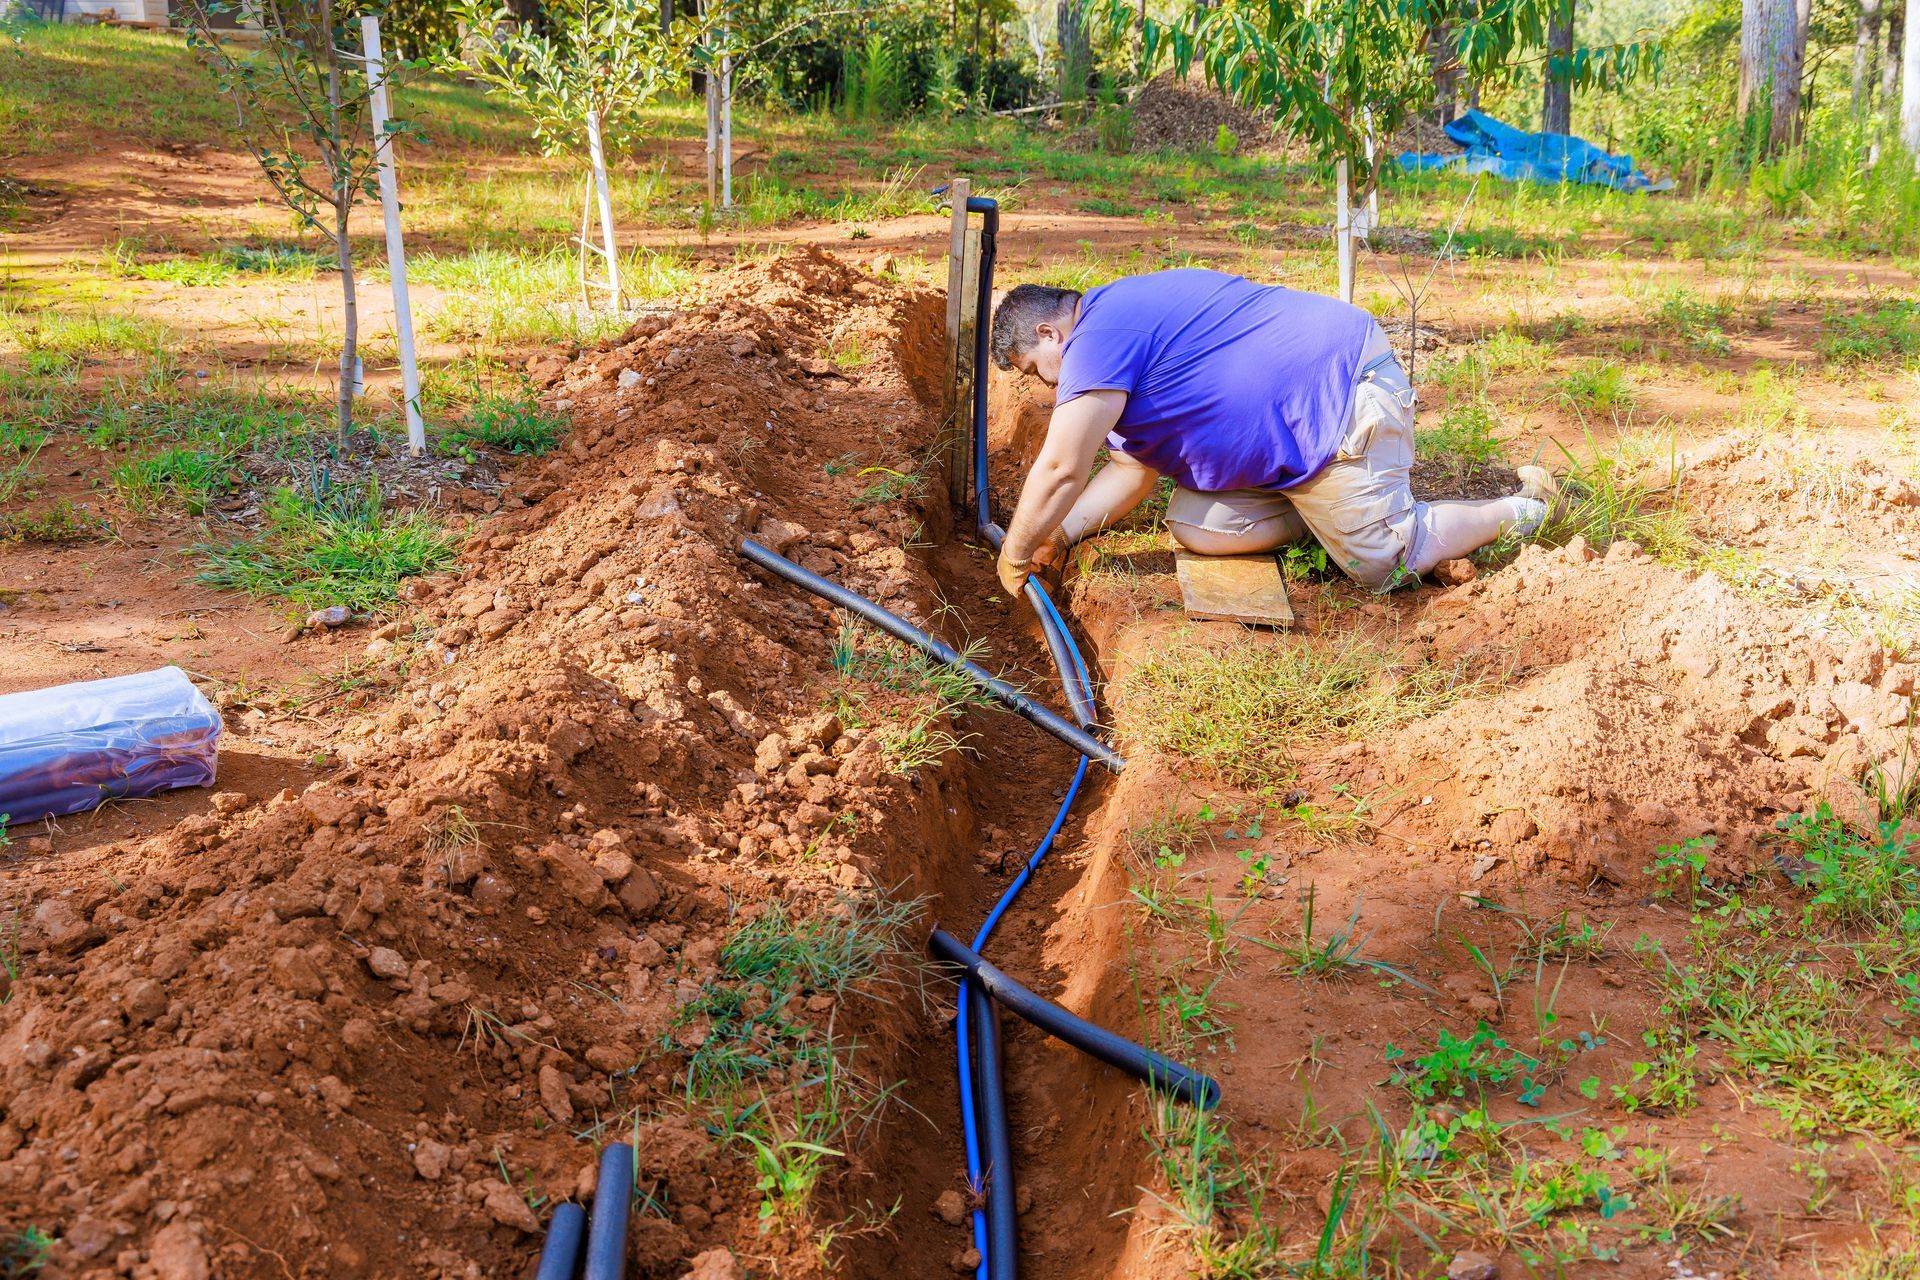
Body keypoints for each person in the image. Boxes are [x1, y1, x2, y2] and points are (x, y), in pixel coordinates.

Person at [987, 268, 1557, 598]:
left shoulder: (1095, 338)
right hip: (1299, 424)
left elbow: (1062, 467)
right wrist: (1057, 536)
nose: (1045, 387)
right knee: (1196, 523)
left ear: (1050, 333)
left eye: (1035, 369)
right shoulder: (1119, 320)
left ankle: (1524, 509)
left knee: (1388, 560)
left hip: (1339, 400)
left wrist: (1015, 550)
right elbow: (1131, 473)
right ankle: (1328, 520)